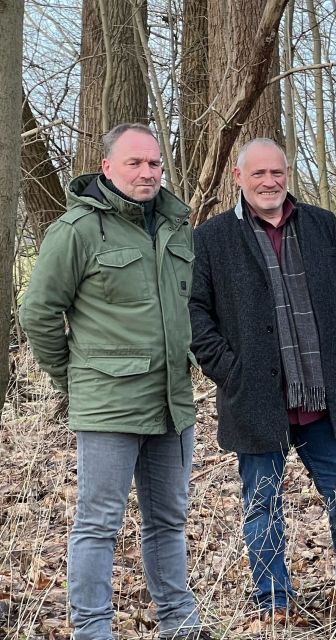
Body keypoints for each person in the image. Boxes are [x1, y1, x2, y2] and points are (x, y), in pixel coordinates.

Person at [20, 123, 210, 640]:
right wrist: (73, 378)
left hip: (172, 404)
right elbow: (38, 312)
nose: (147, 172)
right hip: (107, 407)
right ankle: (93, 630)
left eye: (153, 164)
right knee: (98, 525)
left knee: (168, 521)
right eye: (134, 163)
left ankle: (179, 623)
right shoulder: (77, 230)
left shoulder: (177, 227)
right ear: (107, 167)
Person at [188, 138, 336, 622]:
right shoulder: (211, 238)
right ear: (239, 178)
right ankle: (273, 600)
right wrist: (230, 372)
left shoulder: (320, 224)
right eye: (259, 174)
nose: (270, 182)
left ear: (287, 173)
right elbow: (195, 315)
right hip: (256, 399)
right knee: (263, 505)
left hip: (325, 397)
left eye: (277, 172)